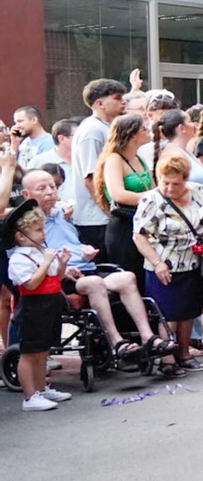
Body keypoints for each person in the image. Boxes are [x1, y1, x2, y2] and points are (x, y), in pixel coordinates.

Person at [20, 168, 161, 361]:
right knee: (94, 283)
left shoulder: (63, 213)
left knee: (127, 277)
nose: (50, 191)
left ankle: (148, 337)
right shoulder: (29, 225)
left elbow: (73, 243)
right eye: (42, 188)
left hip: (86, 268)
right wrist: (60, 266)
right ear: (27, 194)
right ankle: (115, 342)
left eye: (52, 186)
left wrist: (84, 250)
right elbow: (29, 257)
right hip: (60, 276)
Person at [131, 153, 203, 377]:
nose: (170, 188)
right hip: (164, 263)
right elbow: (139, 236)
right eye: (165, 182)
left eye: (176, 183)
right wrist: (157, 262)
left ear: (185, 178)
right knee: (168, 313)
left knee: (188, 311)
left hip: (193, 260)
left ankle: (184, 354)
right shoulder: (150, 200)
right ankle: (166, 358)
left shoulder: (198, 191)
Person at [4, 201, 75, 411]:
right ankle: (30, 396)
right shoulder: (19, 258)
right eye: (38, 230)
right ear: (21, 236)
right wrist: (45, 262)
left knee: (43, 350)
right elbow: (32, 283)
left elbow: (57, 278)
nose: (43, 233)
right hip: (32, 307)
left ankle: (42, 388)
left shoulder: (40, 252)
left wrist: (61, 263)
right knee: (30, 352)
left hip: (50, 304)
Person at [92, 114, 154, 276]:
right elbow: (118, 194)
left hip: (143, 221)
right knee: (130, 272)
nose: (148, 131)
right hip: (124, 225)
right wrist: (152, 197)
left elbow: (153, 187)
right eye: (143, 129)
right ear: (132, 134)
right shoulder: (114, 159)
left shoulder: (138, 158)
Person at [70, 79, 127, 252]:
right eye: (117, 98)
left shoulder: (106, 127)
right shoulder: (92, 130)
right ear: (100, 103)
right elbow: (91, 178)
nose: (123, 102)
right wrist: (110, 213)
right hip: (96, 220)